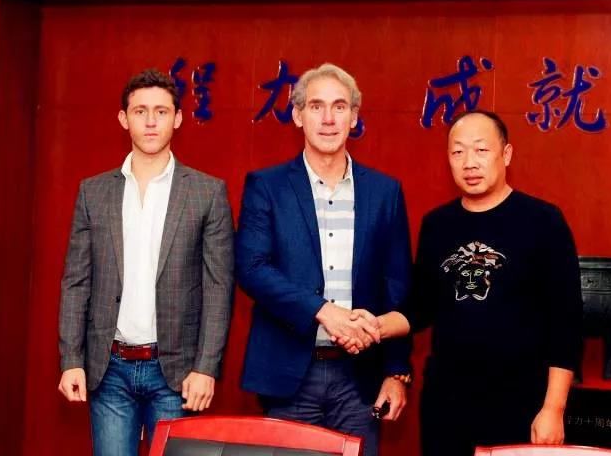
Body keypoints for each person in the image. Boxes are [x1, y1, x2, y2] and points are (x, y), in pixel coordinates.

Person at [235, 63, 412, 456]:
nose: (328, 119)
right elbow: (252, 269)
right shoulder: (266, 186)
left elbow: (397, 287)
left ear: (354, 117)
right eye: (316, 106)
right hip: (289, 373)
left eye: (339, 106)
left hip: (360, 377)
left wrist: (396, 371)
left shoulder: (385, 192)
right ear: (298, 116)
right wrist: (323, 311)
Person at [57, 69, 234, 455]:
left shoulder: (206, 193)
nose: (151, 121)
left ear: (178, 118)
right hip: (109, 369)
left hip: (177, 373)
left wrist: (206, 367)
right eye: (140, 111)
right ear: (124, 119)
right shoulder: (94, 192)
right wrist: (71, 360)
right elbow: (76, 282)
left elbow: (218, 289)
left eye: (161, 111)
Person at [407, 110, 583, 456]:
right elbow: (420, 307)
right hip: (447, 405)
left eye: (481, 150)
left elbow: (567, 323)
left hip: (520, 402)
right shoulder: (436, 224)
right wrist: (373, 326)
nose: (469, 163)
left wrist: (553, 408)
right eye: (458, 152)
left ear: (506, 154)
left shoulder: (543, 221)